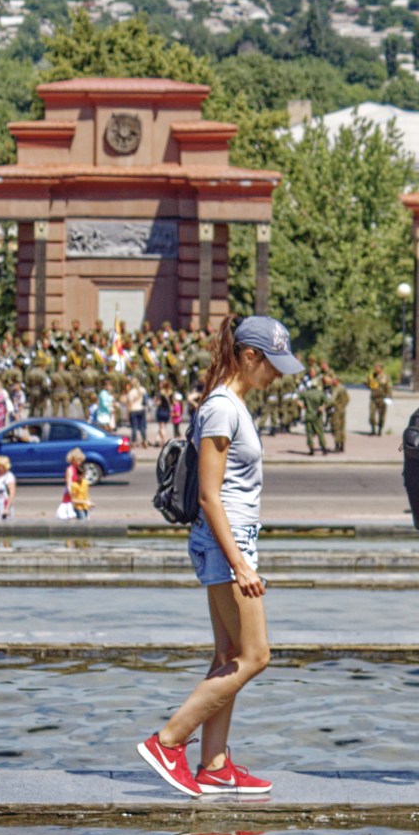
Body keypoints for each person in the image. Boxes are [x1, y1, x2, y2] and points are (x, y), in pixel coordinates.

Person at [136, 314, 303, 798]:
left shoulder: (230, 405)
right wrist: (240, 563)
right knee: (257, 655)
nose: (276, 376)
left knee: (228, 656)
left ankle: (214, 765)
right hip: (225, 541)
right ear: (249, 357)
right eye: (272, 365)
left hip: (228, 539)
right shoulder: (222, 409)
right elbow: (210, 495)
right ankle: (169, 741)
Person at [63, 449, 91, 521]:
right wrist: (72, 497)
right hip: (72, 496)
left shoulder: (78, 469)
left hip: (79, 496)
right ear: (72, 460)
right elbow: (69, 484)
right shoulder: (70, 469)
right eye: (76, 460)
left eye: (79, 460)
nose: (78, 462)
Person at [367, 363, 391, 437]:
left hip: (382, 398)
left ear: (381, 368)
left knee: (382, 415)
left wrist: (388, 397)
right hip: (374, 398)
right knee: (372, 414)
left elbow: (389, 387)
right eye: (375, 368)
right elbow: (367, 383)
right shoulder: (372, 375)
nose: (376, 369)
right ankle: (373, 429)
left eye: (377, 368)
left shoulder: (386, 376)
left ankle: (380, 429)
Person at [124, 377, 148, 448]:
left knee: (134, 427)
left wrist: (127, 413)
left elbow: (129, 403)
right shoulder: (143, 389)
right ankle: (145, 441)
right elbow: (145, 399)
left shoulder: (131, 392)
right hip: (141, 409)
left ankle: (134, 442)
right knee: (142, 427)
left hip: (133, 410)